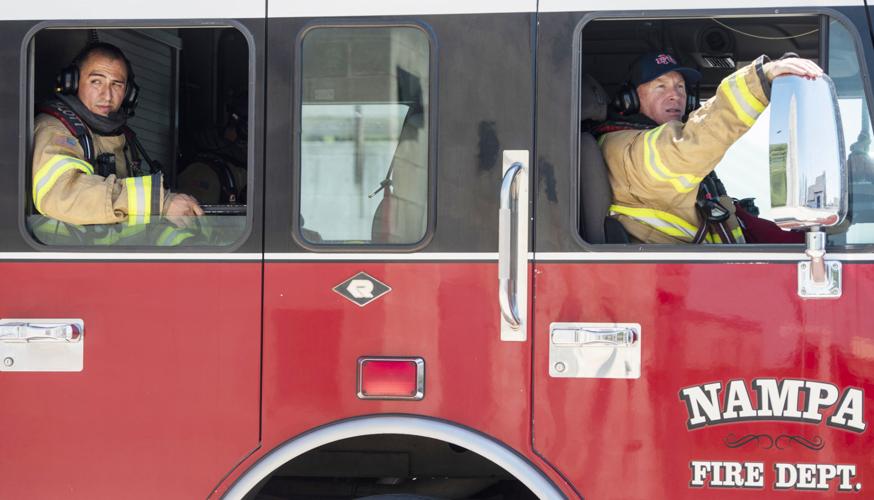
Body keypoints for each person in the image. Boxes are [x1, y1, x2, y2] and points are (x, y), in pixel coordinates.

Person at [595, 52, 822, 244]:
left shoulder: (656, 144)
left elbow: (735, 221)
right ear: (630, 99)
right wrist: (759, 81)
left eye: (680, 87)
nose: (674, 95)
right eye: (660, 86)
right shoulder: (625, 149)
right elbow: (690, 146)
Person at [32, 42, 202, 228]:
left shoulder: (123, 136)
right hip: (64, 254)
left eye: (117, 85)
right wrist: (159, 202)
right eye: (96, 82)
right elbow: (62, 194)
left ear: (129, 94)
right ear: (71, 83)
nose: (107, 95)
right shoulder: (55, 128)